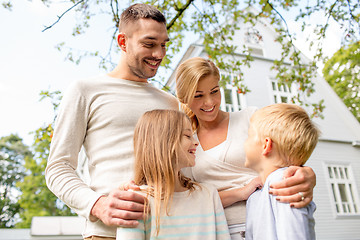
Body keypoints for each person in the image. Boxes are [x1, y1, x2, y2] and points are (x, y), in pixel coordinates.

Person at [45, 4, 179, 239]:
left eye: (164, 45)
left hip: (169, 231)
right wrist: (98, 205)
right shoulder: (85, 90)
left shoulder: (171, 103)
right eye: (149, 44)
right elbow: (58, 168)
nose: (159, 54)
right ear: (122, 42)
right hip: (108, 234)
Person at [175, 57, 317, 240]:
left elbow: (289, 150)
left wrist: (306, 172)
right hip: (218, 231)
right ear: (184, 98)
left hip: (268, 221)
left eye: (215, 91)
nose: (210, 102)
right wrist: (240, 193)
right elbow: (192, 200)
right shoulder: (187, 143)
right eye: (198, 95)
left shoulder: (250, 118)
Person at [116, 109, 231, 239]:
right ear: (164, 141)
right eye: (188, 136)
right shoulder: (136, 202)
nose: (196, 142)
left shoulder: (209, 194)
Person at [244, 103, 319, 240]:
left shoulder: (283, 184)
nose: (245, 142)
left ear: (266, 145)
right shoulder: (256, 195)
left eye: (249, 136)